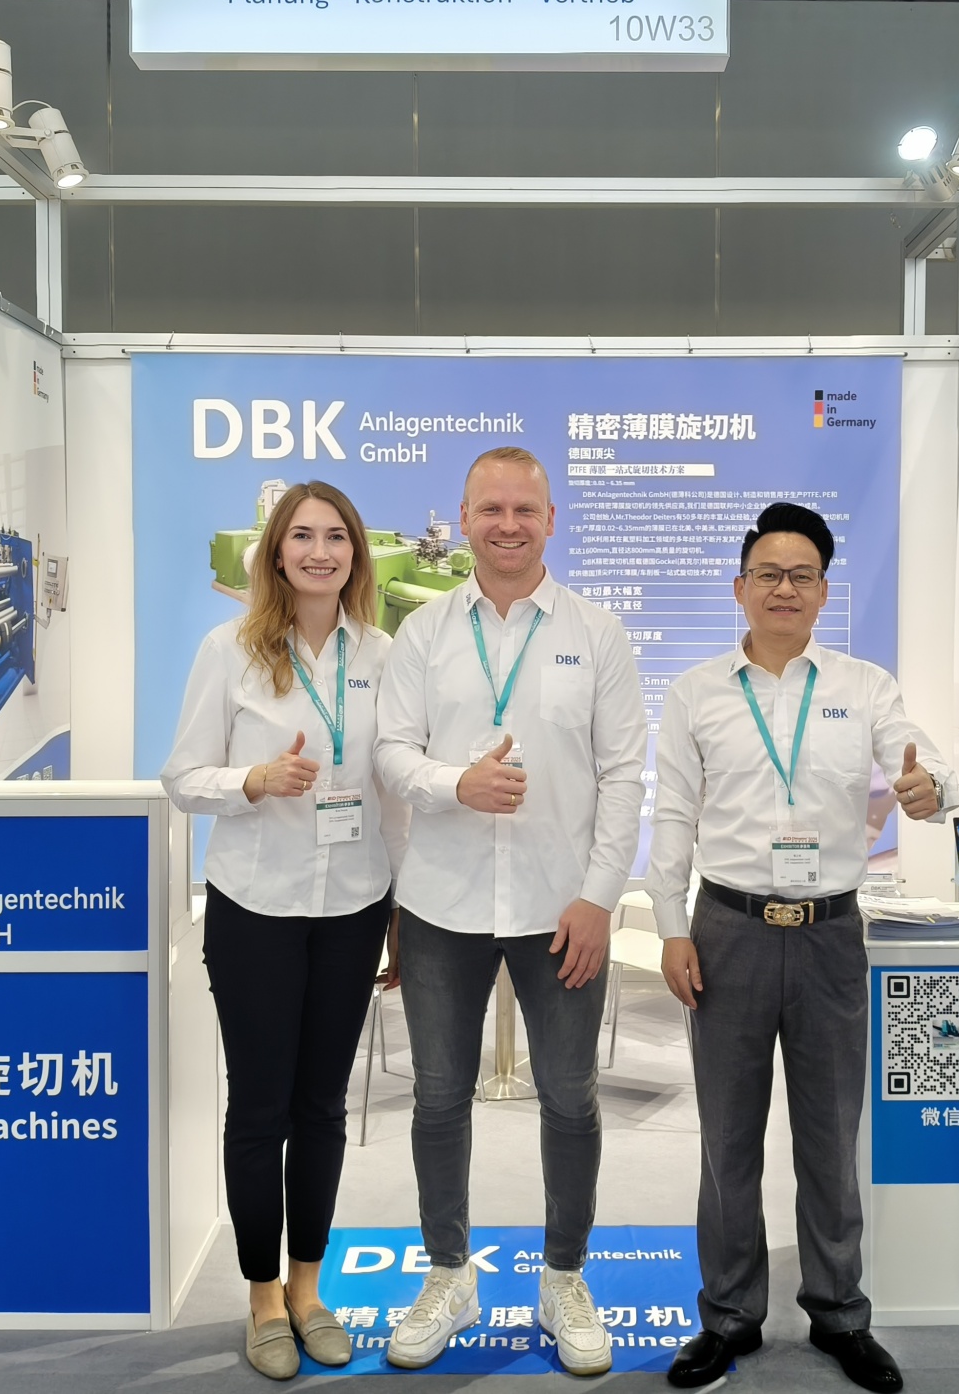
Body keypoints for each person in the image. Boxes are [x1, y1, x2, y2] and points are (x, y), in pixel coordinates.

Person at [645, 501, 957, 1394]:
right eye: (768, 574)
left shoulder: (865, 687)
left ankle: (839, 1312)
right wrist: (670, 926)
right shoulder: (696, 693)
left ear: (823, 591)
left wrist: (931, 789)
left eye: (802, 575)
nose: (784, 589)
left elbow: (926, 765)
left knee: (828, 1135)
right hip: (729, 931)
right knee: (727, 1140)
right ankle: (728, 1315)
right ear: (739, 587)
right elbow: (674, 816)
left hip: (829, 938)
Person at [374, 446, 648, 1376]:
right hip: (442, 902)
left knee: (570, 1099)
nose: (507, 525)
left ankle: (563, 1276)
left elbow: (624, 778)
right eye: (489, 509)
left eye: (524, 509)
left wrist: (600, 897)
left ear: (551, 520)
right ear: (463, 518)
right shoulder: (423, 634)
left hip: (559, 907)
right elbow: (391, 753)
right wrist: (456, 784)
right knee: (438, 1097)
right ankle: (449, 1274)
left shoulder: (597, 634)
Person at [161, 480, 408, 1382]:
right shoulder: (227, 651)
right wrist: (252, 781)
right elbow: (182, 778)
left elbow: (393, 794)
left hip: (353, 906)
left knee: (323, 1109)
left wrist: (400, 912)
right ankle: (262, 1294)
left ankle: (309, 1287)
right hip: (255, 908)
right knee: (260, 1109)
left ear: (356, 555)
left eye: (335, 536)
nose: (319, 551)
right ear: (274, 552)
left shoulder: (383, 655)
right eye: (301, 536)